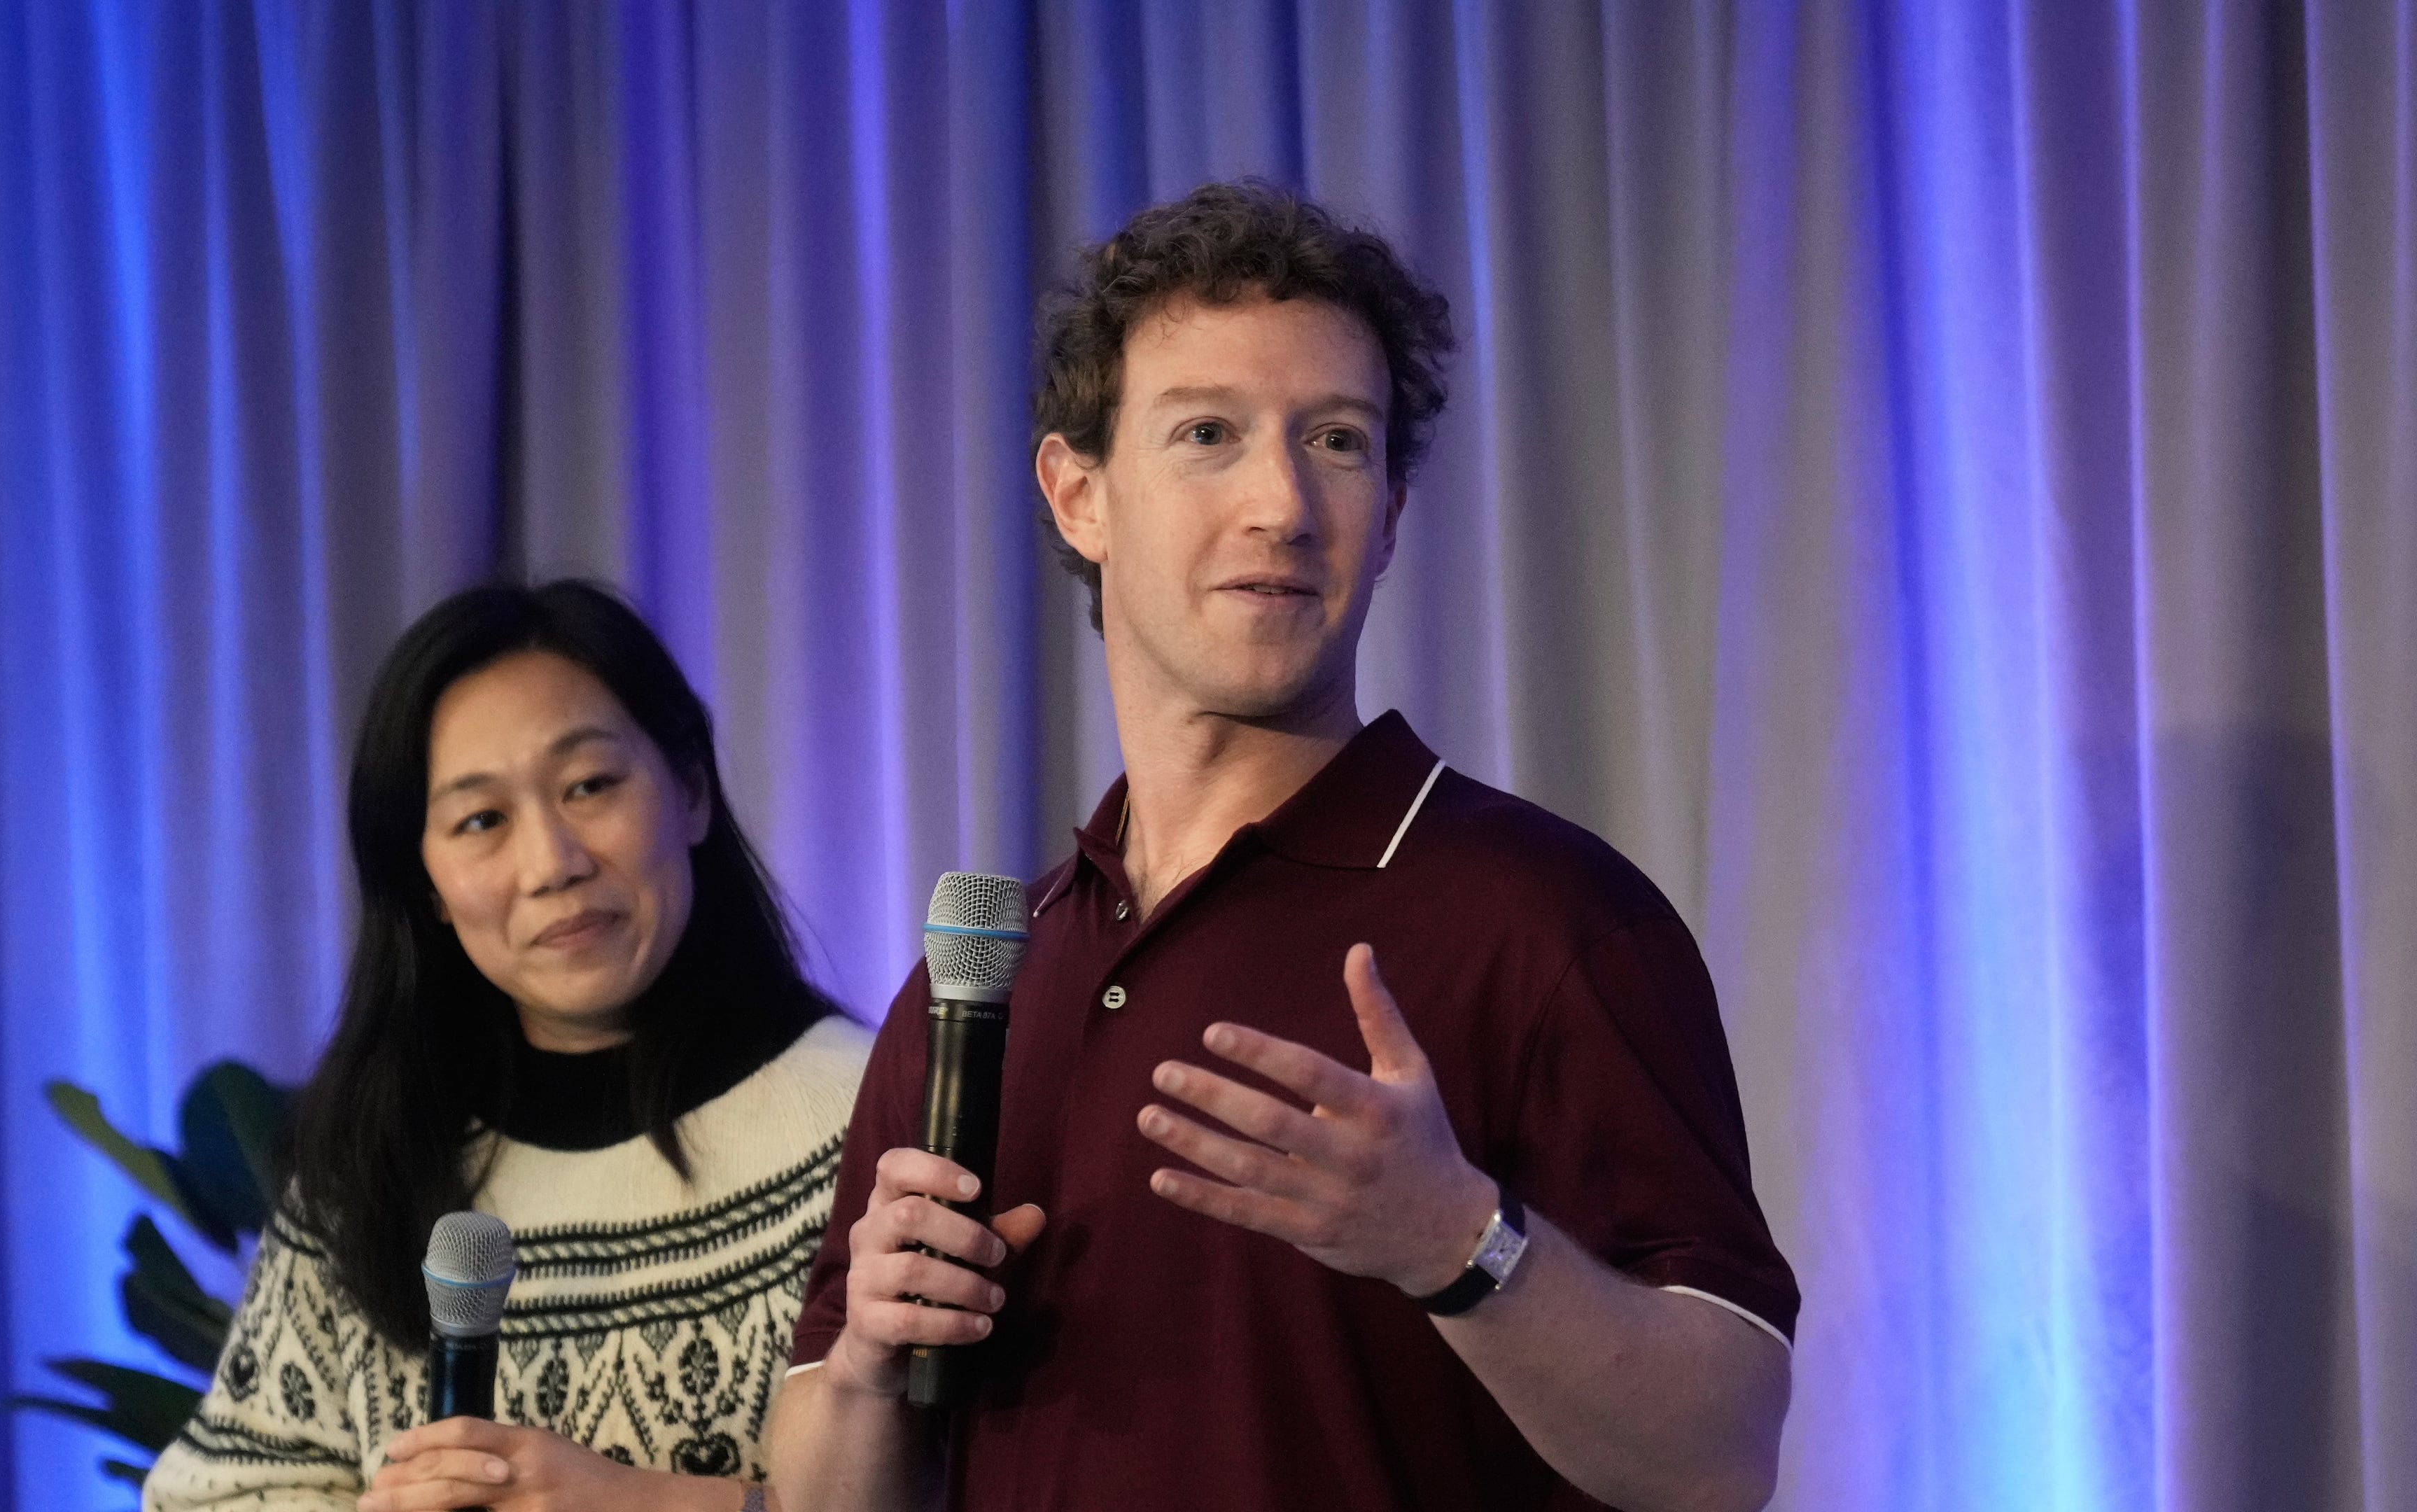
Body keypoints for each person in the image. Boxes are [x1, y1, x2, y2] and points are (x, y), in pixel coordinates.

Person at [766, 183, 1799, 1512]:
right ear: (1079, 496)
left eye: (1338, 441)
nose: (1284, 504)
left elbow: (1721, 1460)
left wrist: (1455, 1245)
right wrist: (865, 1362)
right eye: (1208, 433)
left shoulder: (1547, 919)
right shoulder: (984, 975)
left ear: (1394, 512)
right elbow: (830, 1496)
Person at [146, 581, 864, 1512]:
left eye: (591, 786)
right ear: (429, 885)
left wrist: (659, 1506)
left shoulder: (869, 1119)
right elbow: (208, 1496)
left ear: (689, 790)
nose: (552, 863)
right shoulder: (370, 1161)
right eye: (482, 820)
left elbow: (994, 1483)